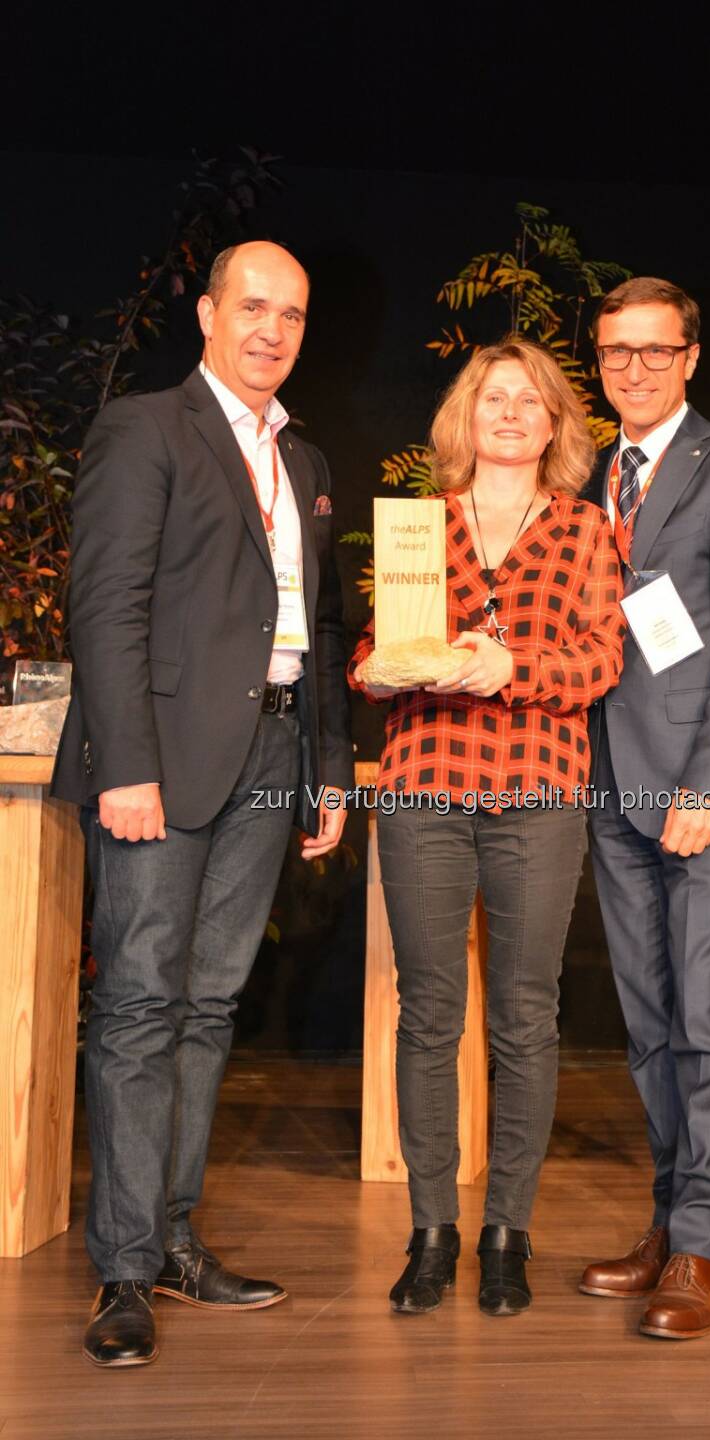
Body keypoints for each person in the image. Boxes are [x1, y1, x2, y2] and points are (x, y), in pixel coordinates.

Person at [52, 241, 352, 1367]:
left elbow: (317, 631)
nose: (273, 330)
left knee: (210, 1006)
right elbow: (108, 605)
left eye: (294, 315)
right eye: (255, 307)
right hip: (163, 763)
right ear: (211, 315)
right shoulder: (147, 429)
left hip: (274, 758)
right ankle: (122, 1269)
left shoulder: (306, 457)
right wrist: (125, 764)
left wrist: (329, 766)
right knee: (137, 1005)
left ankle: (175, 1238)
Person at [350, 338, 625, 1318]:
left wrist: (516, 671)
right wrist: (375, 670)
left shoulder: (588, 529)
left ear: (555, 424)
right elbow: (374, 652)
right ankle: (434, 1233)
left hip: (540, 796)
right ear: (464, 418)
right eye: (492, 398)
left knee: (525, 1020)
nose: (510, 412)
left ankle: (508, 1233)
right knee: (428, 1018)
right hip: (424, 788)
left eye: (529, 400)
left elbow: (601, 662)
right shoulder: (419, 526)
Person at [577, 278, 710, 1341]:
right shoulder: (591, 471)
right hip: (604, 780)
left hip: (698, 786)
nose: (636, 370)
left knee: (709, 1021)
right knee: (650, 1023)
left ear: (693, 356)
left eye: (657, 351)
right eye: (617, 353)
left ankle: (705, 1242)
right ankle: (668, 1218)